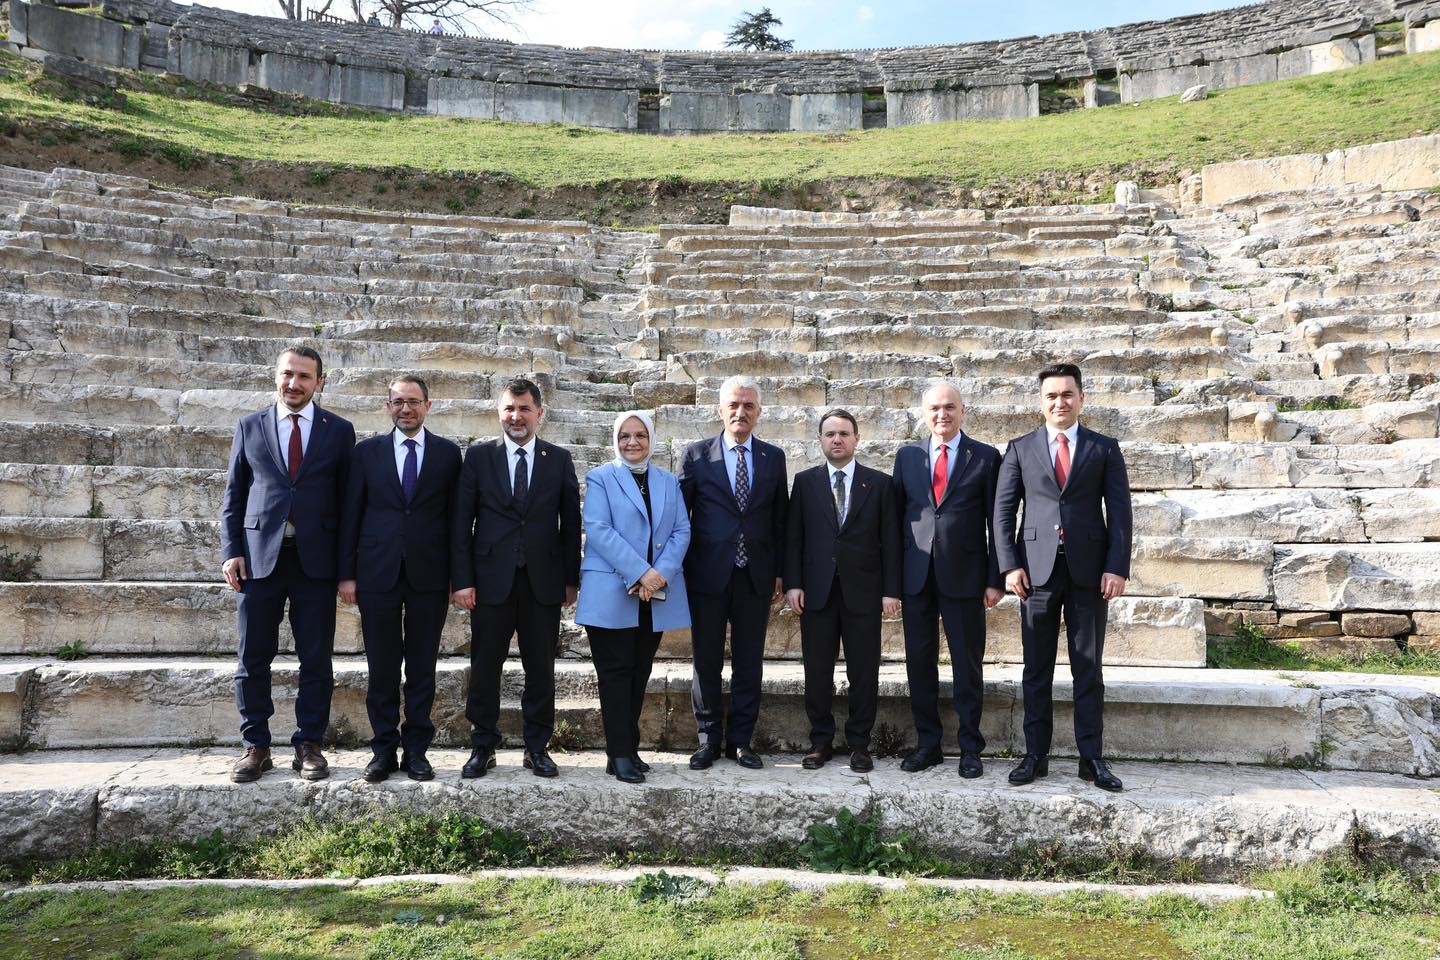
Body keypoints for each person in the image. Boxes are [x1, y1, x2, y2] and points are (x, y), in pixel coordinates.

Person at [995, 362, 1132, 793]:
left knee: (1087, 669)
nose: (1060, 402)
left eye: (1067, 394)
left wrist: (1117, 566)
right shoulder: (1020, 448)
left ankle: (1091, 758)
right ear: (1042, 401)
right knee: (1036, 668)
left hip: (1090, 574)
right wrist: (1009, 565)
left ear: (1081, 398)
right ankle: (1035, 755)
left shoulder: (1104, 447)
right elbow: (1002, 513)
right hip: (1035, 575)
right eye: (1052, 396)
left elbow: (1121, 513)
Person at [220, 346, 355, 784]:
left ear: (320, 382)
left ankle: (309, 743)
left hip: (317, 560)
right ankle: (256, 744)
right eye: (287, 374)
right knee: (252, 657)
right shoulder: (249, 426)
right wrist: (231, 550)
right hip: (259, 559)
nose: (294, 383)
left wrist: (346, 564)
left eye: (304, 376)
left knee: (316, 658)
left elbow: (348, 502)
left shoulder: (339, 430)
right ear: (276, 376)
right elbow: (234, 496)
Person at [450, 377, 580, 779]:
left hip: (542, 581)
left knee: (540, 668)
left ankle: (537, 747)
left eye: (524, 408)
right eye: (509, 408)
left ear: (539, 414)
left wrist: (570, 580)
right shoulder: (479, 458)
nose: (516, 416)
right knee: (485, 665)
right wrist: (462, 580)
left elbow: (570, 524)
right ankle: (482, 745)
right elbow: (461, 523)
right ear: (499, 413)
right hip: (489, 580)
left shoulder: (558, 458)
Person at [338, 375, 461, 783]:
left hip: (430, 575)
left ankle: (417, 751)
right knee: (383, 668)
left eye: (413, 401)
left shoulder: (447, 454)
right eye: (398, 402)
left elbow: (457, 522)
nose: (405, 409)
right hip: (377, 573)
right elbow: (351, 515)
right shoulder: (366, 453)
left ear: (428, 405)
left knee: (423, 667)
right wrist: (348, 575)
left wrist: (457, 576)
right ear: (387, 406)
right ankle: (383, 750)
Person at [892, 379, 1004, 778]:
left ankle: (971, 748)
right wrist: (893, 584)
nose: (942, 414)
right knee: (919, 664)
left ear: (963, 411)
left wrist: (996, 578)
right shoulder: (907, 457)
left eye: (950, 407)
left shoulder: (986, 457)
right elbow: (895, 521)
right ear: (924, 413)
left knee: (967, 665)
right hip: (917, 577)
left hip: (967, 577)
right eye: (935, 408)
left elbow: (999, 523)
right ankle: (928, 745)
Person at [575, 411, 691, 784]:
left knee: (639, 674)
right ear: (615, 439)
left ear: (651, 439)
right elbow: (598, 529)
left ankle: (628, 748)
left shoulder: (668, 481)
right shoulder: (601, 477)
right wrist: (642, 572)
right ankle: (619, 752)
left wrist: (659, 577)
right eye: (625, 435)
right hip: (612, 590)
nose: (632, 442)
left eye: (640, 435)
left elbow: (682, 530)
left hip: (653, 595)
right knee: (615, 674)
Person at [679, 375, 787, 770]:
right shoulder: (695, 455)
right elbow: (681, 518)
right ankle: (708, 739)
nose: (740, 412)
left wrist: (780, 572)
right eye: (733, 405)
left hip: (755, 575)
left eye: (748, 406)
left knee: (749, 660)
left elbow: (780, 520)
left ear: (759, 412)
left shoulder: (773, 457)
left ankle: (741, 741)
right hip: (707, 574)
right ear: (720, 410)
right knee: (706, 659)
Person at [784, 409, 901, 773]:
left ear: (857, 439)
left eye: (844, 433)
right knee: (816, 670)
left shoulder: (879, 484)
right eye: (830, 433)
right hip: (816, 593)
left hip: (864, 592)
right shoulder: (804, 482)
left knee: (863, 671)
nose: (837, 439)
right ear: (820, 440)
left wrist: (890, 590)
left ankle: (859, 745)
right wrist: (793, 584)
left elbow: (891, 542)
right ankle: (820, 741)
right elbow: (794, 538)